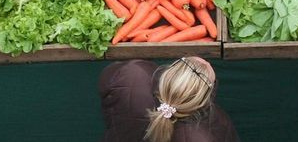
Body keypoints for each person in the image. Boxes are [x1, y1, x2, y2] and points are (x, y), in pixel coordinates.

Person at [99, 57, 240, 142]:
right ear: (203, 100)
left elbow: (105, 80)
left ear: (167, 72)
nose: (206, 62)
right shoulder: (214, 128)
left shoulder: (132, 74)